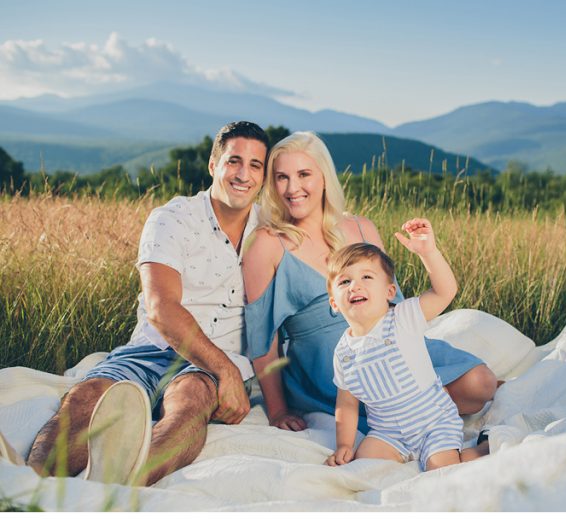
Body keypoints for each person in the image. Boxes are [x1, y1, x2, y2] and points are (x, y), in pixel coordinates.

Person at [11, 121, 270, 486]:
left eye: (255, 165)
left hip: (212, 363)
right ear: (213, 166)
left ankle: (120, 486)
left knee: (190, 402)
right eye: (234, 161)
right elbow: (161, 309)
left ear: (263, 175)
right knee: (87, 398)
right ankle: (26, 487)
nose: (243, 174)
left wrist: (227, 372)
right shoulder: (172, 218)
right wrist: (227, 372)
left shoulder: (270, 233)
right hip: (152, 348)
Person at [242, 131, 497, 435]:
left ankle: (421, 403)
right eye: (282, 177)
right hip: (329, 367)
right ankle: (417, 408)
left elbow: (395, 305)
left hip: (390, 346)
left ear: (324, 177)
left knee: (481, 382)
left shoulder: (362, 228)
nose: (292, 188)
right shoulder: (267, 244)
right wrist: (278, 410)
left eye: (304, 174)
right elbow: (263, 338)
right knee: (396, 400)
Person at [324, 229, 488, 471]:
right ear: (334, 303)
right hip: (388, 432)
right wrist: (344, 445)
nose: (355, 286)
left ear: (389, 292)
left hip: (434, 422)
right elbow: (347, 403)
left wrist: (428, 253)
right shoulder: (343, 352)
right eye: (345, 281)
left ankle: (483, 448)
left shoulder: (403, 317)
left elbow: (445, 291)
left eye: (367, 277)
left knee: (441, 469)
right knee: (364, 464)